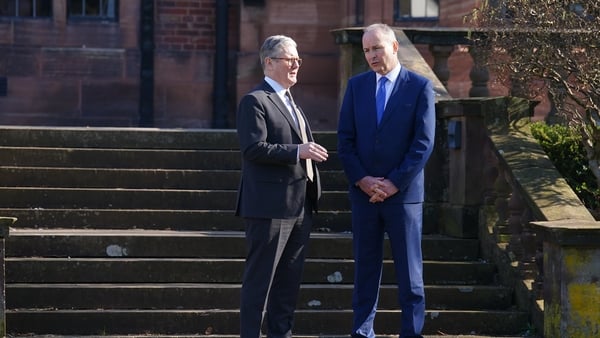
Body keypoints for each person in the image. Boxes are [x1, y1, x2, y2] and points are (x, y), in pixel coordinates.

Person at [337, 23, 436, 338]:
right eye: (366, 50)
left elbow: (423, 143)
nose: (371, 55)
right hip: (364, 195)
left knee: (410, 274)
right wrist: (363, 180)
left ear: (394, 47)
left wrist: (393, 183)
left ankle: (411, 332)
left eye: (376, 48)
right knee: (365, 270)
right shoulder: (356, 87)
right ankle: (363, 331)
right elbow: (345, 140)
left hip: (403, 196)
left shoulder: (419, 86)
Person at [235, 34, 329, 338]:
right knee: (260, 281)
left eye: (298, 59)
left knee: (288, 282)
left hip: (300, 205)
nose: (297, 64)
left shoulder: (292, 103)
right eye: (290, 58)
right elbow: (253, 149)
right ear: (270, 62)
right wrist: (298, 151)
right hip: (269, 207)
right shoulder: (255, 100)